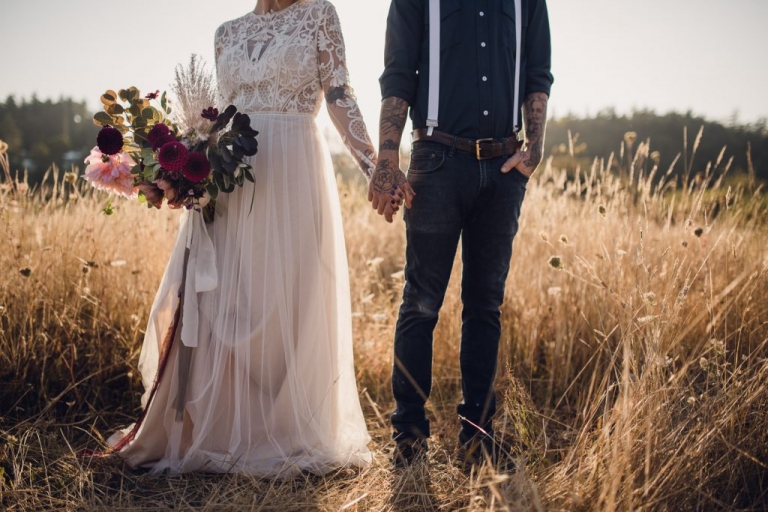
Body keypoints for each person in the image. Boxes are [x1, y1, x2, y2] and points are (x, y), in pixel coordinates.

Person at [107, 0, 375, 476]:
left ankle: (286, 426)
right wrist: (181, 170)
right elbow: (215, 117)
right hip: (231, 183)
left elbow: (339, 95)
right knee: (229, 296)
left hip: (294, 174)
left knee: (288, 296)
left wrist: (376, 167)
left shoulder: (319, 16)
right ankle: (224, 424)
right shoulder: (225, 32)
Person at [370, 0, 553, 467]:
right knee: (421, 303)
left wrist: (535, 147)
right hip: (436, 162)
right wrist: (387, 160)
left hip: (503, 166)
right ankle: (409, 441)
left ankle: (477, 438)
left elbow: (538, 72)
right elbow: (397, 75)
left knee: (485, 306)